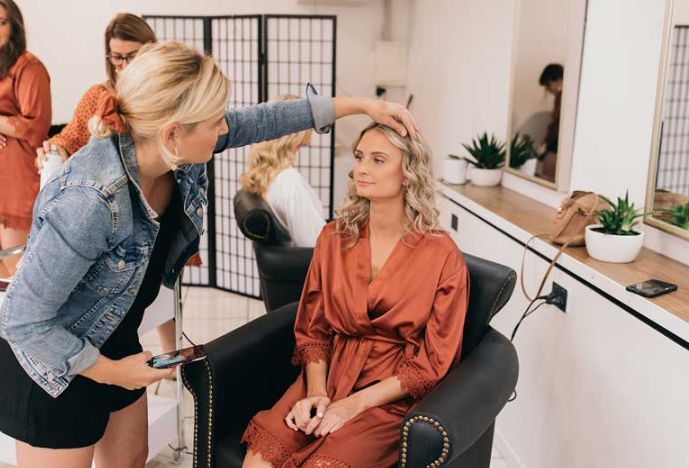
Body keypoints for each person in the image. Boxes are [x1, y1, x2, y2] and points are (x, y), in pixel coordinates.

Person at [0, 41, 417, 468]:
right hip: (53, 364)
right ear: (173, 133)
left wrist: (360, 105)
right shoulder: (89, 200)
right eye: (215, 121)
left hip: (115, 341)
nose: (225, 129)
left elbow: (260, 120)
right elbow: (22, 319)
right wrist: (112, 372)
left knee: (129, 460)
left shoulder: (169, 153)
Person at [241, 123, 470, 467]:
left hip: (388, 395)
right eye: (360, 157)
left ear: (408, 173)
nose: (361, 168)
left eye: (378, 160)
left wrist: (356, 404)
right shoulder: (334, 238)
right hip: (329, 375)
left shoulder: (442, 256)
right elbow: (313, 329)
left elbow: (434, 363)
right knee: (258, 461)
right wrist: (317, 392)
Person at [36, 13, 156, 162]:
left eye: (134, 56)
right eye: (117, 57)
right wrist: (53, 148)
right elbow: (69, 139)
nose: (126, 65)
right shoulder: (99, 95)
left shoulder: (168, 93)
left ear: (152, 51)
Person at [0, 0, 51, 278]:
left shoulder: (29, 67)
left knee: (15, 267)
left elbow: (36, 126)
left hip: (16, 178)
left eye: (0, 22)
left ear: (14, 26)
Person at [241, 95, 324, 247]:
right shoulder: (289, 181)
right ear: (292, 127)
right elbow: (315, 243)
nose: (314, 126)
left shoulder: (272, 177)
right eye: (309, 119)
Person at [537, 63, 563, 182]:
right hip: (556, 144)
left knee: (547, 178)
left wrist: (546, 144)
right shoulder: (563, 96)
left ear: (557, 80)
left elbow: (557, 124)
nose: (547, 89)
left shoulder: (562, 97)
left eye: (547, 85)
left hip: (556, 145)